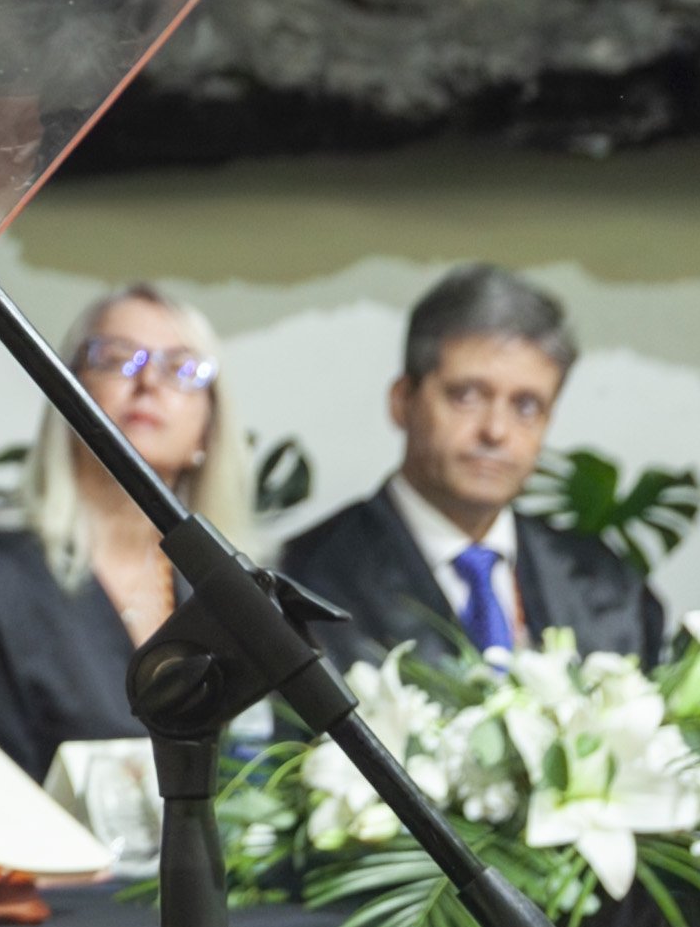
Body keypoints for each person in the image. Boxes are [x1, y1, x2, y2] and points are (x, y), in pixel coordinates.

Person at [0, 282, 259, 778]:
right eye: (116, 358)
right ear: (67, 397)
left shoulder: (233, 593)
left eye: (182, 369)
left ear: (208, 428)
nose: (148, 381)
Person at [278, 264, 662, 671]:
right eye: (467, 396)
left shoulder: (604, 582)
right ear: (402, 401)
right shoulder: (306, 585)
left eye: (526, 406)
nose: (496, 431)